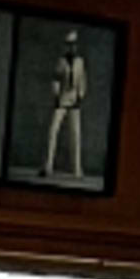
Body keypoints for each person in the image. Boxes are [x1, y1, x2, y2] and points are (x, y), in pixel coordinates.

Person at [40, 33, 91, 183]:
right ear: (66, 46)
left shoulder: (80, 62)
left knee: (76, 135)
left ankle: (77, 169)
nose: (72, 47)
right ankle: (47, 166)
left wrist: (80, 96)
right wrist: (56, 97)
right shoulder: (61, 61)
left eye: (74, 45)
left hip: (74, 101)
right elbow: (55, 79)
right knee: (52, 132)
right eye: (69, 45)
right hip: (61, 100)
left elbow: (82, 80)